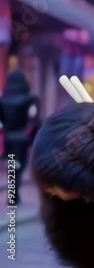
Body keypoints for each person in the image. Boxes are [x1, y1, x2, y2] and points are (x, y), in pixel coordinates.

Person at [0, 69, 40, 205]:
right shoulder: (30, 99)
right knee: (18, 168)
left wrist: (4, 130)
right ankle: (13, 195)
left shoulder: (2, 100)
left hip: (8, 139)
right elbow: (34, 119)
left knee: (11, 167)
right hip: (23, 139)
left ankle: (13, 195)